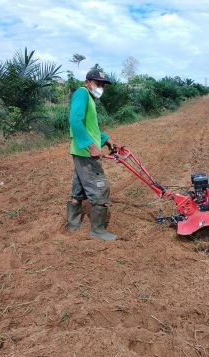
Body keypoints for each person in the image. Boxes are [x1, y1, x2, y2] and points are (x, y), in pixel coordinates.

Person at [66, 69, 117, 241]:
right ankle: (98, 230)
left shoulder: (89, 99)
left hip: (81, 152)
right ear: (87, 82)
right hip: (86, 153)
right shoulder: (82, 93)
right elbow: (75, 121)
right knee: (100, 188)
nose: (100, 87)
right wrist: (90, 146)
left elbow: (91, 128)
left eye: (102, 85)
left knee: (78, 190)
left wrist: (106, 140)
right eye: (97, 83)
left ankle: (73, 225)